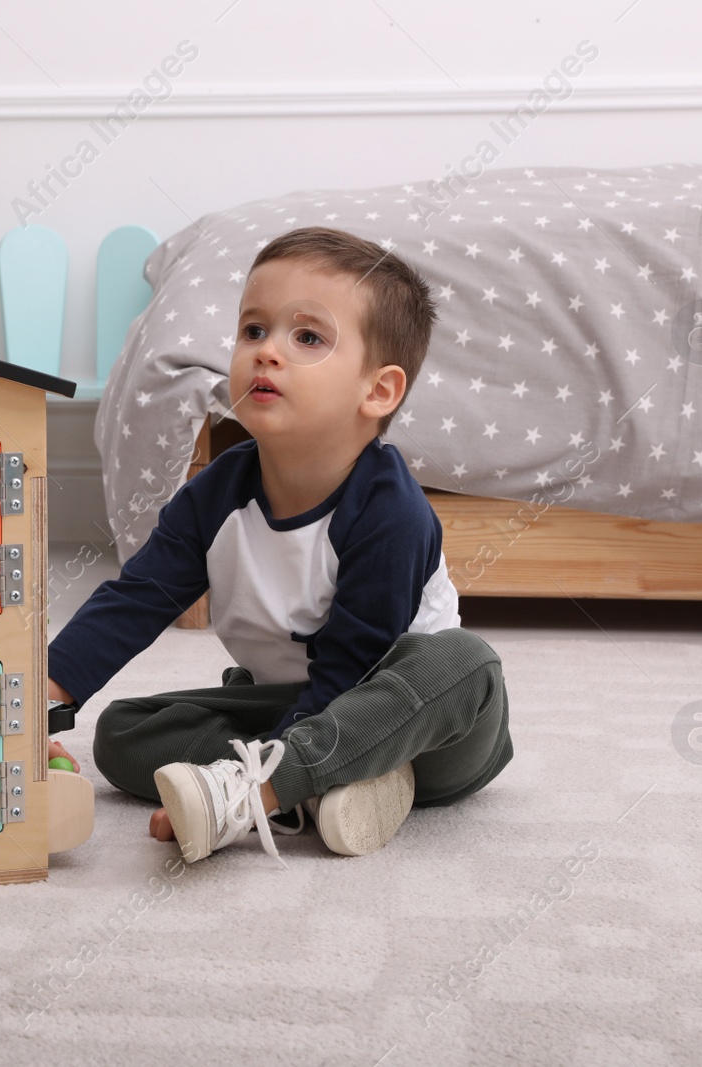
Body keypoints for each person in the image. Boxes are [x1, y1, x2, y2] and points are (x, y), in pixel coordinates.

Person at [45, 226, 512, 866]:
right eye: (254, 330)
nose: (267, 353)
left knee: (470, 663)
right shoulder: (216, 495)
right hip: (296, 707)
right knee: (125, 736)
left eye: (308, 338)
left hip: (419, 727)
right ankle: (320, 790)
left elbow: (354, 664)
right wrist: (44, 695)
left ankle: (262, 792)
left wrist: (269, 770)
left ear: (377, 390)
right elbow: (138, 597)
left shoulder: (388, 509)